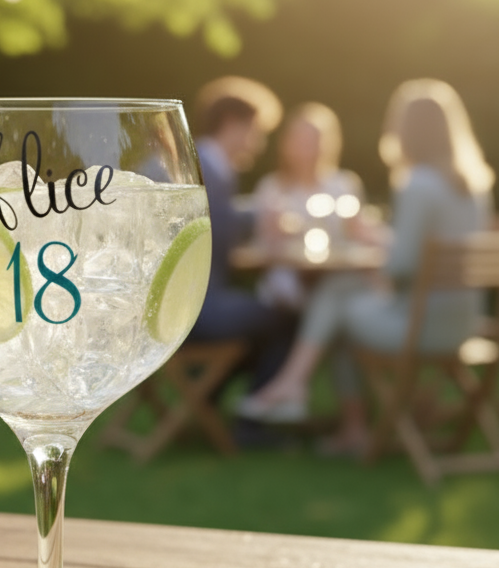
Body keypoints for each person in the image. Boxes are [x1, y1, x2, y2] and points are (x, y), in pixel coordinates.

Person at [237, 79, 495, 452]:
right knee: (342, 297)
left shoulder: (418, 184)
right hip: (462, 325)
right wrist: (378, 242)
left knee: (338, 304)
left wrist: (373, 240)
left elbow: (401, 267)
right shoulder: (474, 186)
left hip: (417, 328)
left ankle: (302, 392)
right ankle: (323, 409)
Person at [186, 77, 297, 409]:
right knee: (287, 320)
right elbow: (216, 235)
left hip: (181, 303)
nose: (259, 143)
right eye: (257, 131)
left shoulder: (207, 165)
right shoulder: (205, 167)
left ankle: (206, 398)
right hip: (195, 309)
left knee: (264, 319)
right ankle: (254, 418)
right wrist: (260, 219)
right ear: (233, 125)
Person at [252, 102, 366, 311]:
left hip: (336, 275)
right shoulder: (271, 188)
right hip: (287, 278)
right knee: (282, 289)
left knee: (339, 291)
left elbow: (357, 237)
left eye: (313, 141)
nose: (307, 149)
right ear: (286, 144)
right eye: (300, 141)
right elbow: (263, 245)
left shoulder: (344, 185)